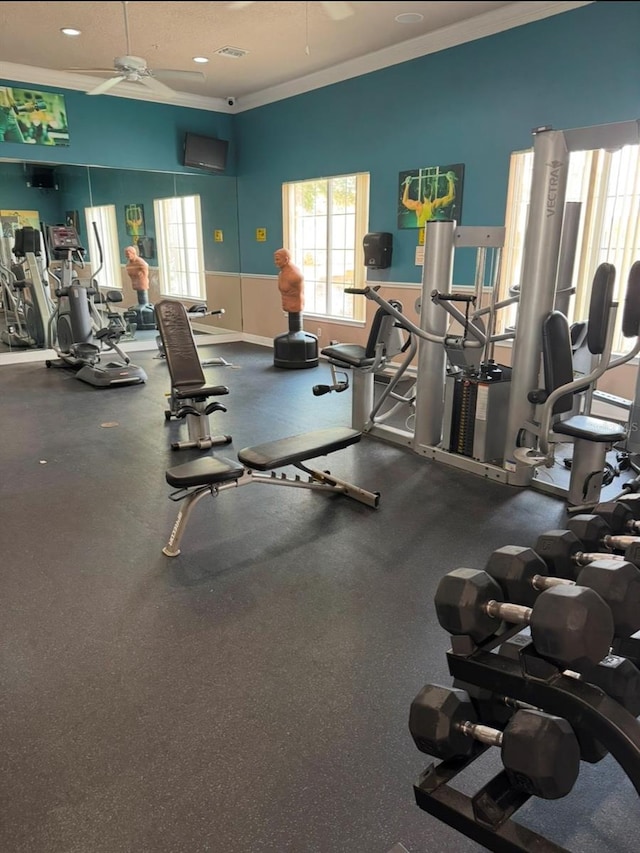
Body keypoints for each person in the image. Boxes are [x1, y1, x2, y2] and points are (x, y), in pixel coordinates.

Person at [274, 247, 304, 314]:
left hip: (295, 307)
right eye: (275, 260)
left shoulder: (295, 276)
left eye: (277, 259)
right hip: (288, 307)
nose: (275, 262)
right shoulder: (281, 274)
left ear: (286, 260)